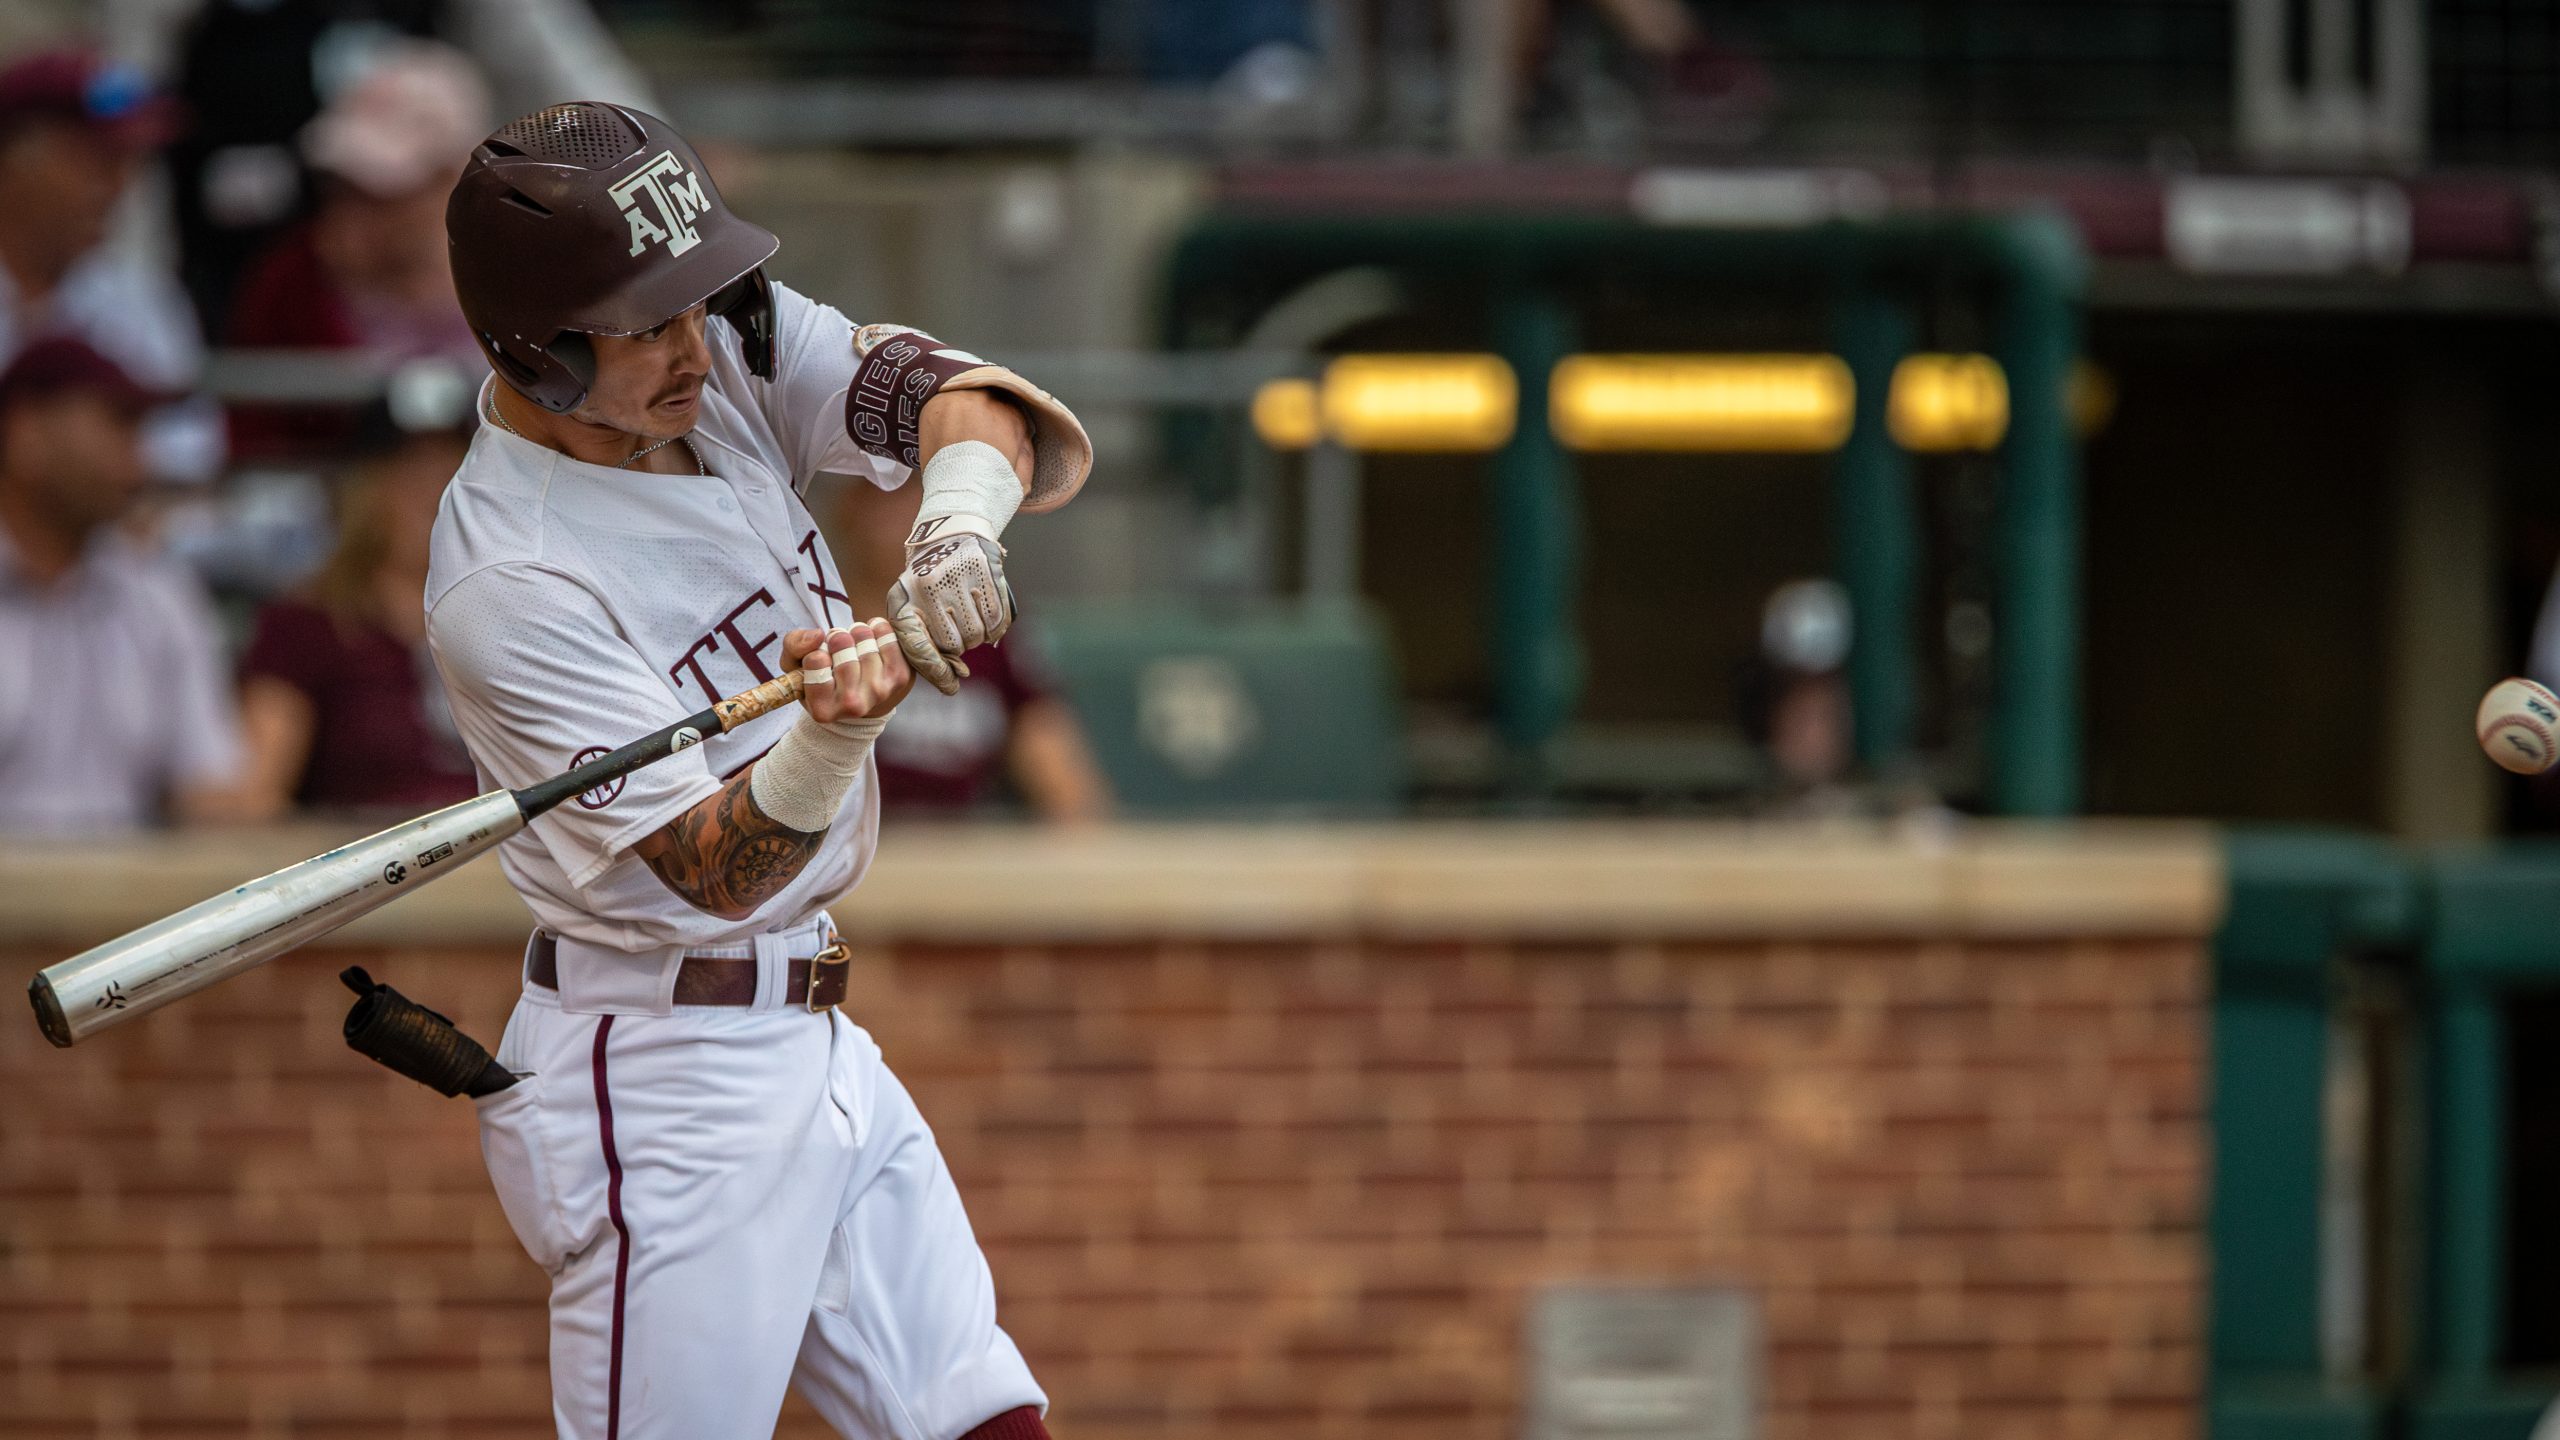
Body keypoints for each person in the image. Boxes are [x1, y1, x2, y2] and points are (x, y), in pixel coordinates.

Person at [427, 102, 1091, 1438]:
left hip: (809, 1033)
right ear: (539, 349)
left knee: (983, 1420)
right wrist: (834, 734)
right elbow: (713, 870)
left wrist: (955, 527)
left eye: (693, 304)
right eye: (644, 322)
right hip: (658, 1073)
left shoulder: (721, 348)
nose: (692, 348)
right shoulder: (511, 576)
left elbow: (971, 404)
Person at [0, 337, 251, 831]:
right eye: (119, 423)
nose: (140, 462)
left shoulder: (159, 595)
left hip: (132, 902)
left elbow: (211, 788)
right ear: (25, 432)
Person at [233, 362, 481, 813]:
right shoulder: (304, 626)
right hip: (374, 868)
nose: (434, 490)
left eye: (452, 467)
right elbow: (257, 796)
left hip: (510, 868)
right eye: (408, 469)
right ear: (363, 489)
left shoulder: (518, 616)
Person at [226, 40, 492, 457]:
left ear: (451, 181)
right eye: (341, 183)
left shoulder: (524, 280)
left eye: (379, 187)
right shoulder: (290, 282)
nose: (351, 206)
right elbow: (249, 438)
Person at [0, 48, 223, 483]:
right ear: (12, 159)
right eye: (96, 161)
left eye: (129, 163)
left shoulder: (138, 298)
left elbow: (189, 457)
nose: (119, 186)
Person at [839, 478, 1112, 822]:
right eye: (884, 499)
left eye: (918, 498)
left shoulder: (987, 626)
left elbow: (1065, 784)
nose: (903, 519)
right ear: (849, 509)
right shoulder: (816, 625)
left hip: (965, 850)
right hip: (844, 849)